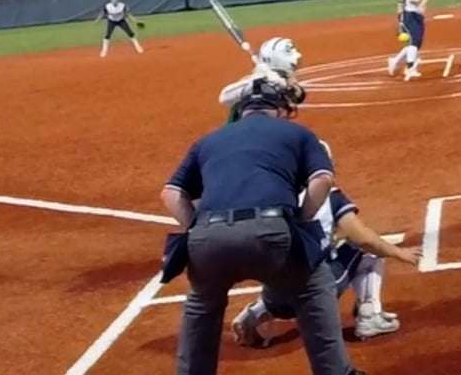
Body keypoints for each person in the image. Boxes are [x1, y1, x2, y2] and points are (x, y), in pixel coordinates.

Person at [162, 78, 361, 375]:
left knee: (201, 303)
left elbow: (171, 194)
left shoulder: (208, 140)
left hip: (208, 239)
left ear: (242, 110)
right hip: (271, 233)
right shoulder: (297, 133)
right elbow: (322, 180)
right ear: (279, 110)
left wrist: (198, 227)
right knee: (313, 286)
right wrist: (301, 220)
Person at [232, 147, 422, 347]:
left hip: (275, 299)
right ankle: (370, 317)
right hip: (314, 295)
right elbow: (364, 239)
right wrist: (399, 253)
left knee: (283, 263)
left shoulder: (270, 197)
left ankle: (255, 312)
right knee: (367, 253)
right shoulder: (332, 197)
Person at [219, 37, 304, 122]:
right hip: (247, 127)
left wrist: (284, 85)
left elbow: (298, 96)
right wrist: (257, 81)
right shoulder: (254, 83)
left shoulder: (282, 78)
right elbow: (224, 97)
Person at [387, 0, 432, 80]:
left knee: (416, 44)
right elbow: (400, 4)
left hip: (419, 17)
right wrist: (400, 21)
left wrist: (420, 4)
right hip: (408, 16)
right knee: (414, 42)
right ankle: (410, 68)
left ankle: (395, 61)